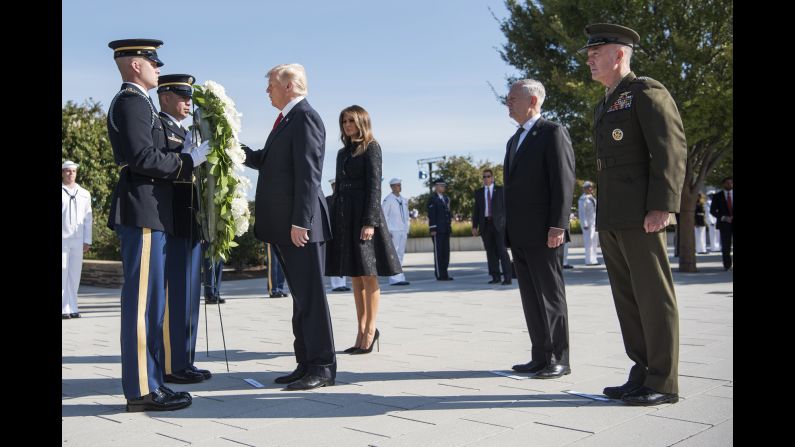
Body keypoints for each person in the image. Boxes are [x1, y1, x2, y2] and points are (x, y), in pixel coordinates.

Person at [582, 23, 687, 405]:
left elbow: (670, 150)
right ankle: (642, 371)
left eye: (597, 53)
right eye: (589, 55)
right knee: (628, 300)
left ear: (620, 55)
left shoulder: (646, 92)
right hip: (614, 216)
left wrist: (662, 205)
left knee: (654, 297)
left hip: (643, 215)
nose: (590, 60)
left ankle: (663, 381)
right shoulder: (606, 101)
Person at [106, 38, 209, 412]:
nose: (158, 69)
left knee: (153, 305)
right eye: (153, 63)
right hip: (144, 210)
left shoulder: (140, 103)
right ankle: (141, 390)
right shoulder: (132, 102)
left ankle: (151, 383)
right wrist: (187, 162)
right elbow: (142, 157)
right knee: (142, 306)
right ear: (135, 65)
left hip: (152, 211)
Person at [241, 63, 336, 390]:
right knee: (300, 299)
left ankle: (322, 367)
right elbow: (268, 161)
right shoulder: (287, 119)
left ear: (290, 86)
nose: (267, 91)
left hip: (301, 227)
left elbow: (309, 175)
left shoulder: (305, 117)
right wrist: (230, 147)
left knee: (311, 299)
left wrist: (301, 221)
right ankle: (305, 362)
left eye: (271, 85)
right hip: (288, 226)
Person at [503, 78, 575, 380]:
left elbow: (563, 181)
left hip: (546, 232)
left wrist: (558, 224)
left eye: (513, 98)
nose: (508, 103)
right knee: (530, 297)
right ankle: (539, 355)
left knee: (550, 296)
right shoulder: (513, 140)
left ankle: (559, 358)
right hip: (520, 232)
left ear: (532, 101)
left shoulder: (552, 132)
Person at [326, 105, 402, 355]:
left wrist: (370, 222)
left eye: (351, 120)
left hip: (364, 217)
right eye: (344, 121)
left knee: (369, 275)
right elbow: (338, 190)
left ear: (362, 122)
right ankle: (360, 331)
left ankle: (371, 331)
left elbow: (374, 187)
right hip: (345, 217)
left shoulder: (372, 148)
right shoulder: (341, 153)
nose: (347, 125)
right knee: (355, 276)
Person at [156, 74, 211, 384]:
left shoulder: (185, 130)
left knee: (190, 294)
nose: (187, 102)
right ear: (165, 97)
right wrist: (189, 158)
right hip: (173, 221)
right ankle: (171, 363)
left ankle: (185, 360)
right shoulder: (159, 126)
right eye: (181, 95)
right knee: (175, 294)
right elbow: (162, 166)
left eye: (189, 96)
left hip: (190, 221)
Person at [62, 160, 92, 319]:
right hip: (62, 240)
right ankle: (63, 308)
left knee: (74, 275)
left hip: (77, 240)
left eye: (73, 171)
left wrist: (87, 240)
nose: (70, 174)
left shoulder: (84, 194)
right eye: (67, 171)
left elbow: (88, 218)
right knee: (62, 273)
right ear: (62, 173)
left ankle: (72, 307)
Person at [471, 168, 512, 284]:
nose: (486, 178)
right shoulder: (479, 193)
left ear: (493, 178)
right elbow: (476, 211)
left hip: (499, 225)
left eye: (488, 176)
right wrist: (474, 226)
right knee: (490, 252)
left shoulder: (500, 190)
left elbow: (506, 208)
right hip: (485, 225)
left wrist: (506, 224)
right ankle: (495, 277)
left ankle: (507, 277)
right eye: (484, 177)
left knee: (502, 251)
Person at [382, 177, 411, 286]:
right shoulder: (388, 199)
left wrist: (407, 228)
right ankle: (394, 278)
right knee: (393, 255)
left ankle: (400, 276)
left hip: (402, 230)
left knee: (400, 254)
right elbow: (384, 215)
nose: (399, 187)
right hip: (393, 231)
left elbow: (407, 216)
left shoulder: (403, 200)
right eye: (397, 185)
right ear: (392, 187)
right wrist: (387, 231)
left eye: (400, 185)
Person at [326, 179, 350, 292]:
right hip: (332, 234)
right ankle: (336, 285)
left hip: (343, 233)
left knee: (343, 258)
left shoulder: (346, 199)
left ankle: (342, 283)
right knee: (334, 258)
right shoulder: (328, 200)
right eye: (334, 186)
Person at [428, 179, 453, 280]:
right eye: (441, 185)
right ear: (436, 187)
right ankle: (439, 274)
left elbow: (448, 213)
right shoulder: (432, 199)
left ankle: (445, 273)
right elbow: (431, 215)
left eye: (444, 185)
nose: (443, 187)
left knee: (446, 253)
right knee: (439, 253)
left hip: (446, 229)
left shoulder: (446, 198)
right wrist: (433, 228)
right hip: (437, 230)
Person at [709, 177, 733, 270]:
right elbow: (712, 211)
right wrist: (723, 217)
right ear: (723, 184)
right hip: (724, 224)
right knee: (726, 246)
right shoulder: (717, 196)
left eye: (731, 183)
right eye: (727, 183)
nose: (729, 185)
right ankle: (727, 265)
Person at [578, 181, 599, 265]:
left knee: (594, 242)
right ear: (585, 189)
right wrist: (585, 224)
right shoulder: (582, 199)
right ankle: (588, 260)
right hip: (588, 225)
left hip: (594, 224)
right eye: (588, 187)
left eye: (591, 187)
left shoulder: (592, 198)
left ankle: (594, 259)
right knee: (588, 242)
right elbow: (582, 213)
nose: (591, 189)